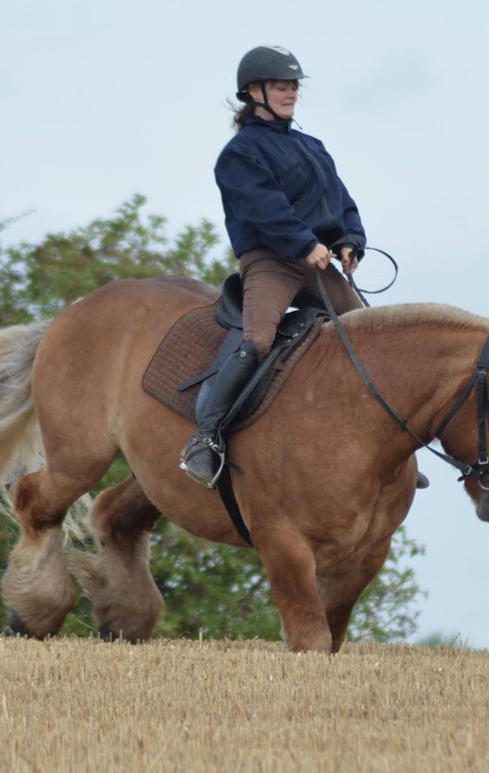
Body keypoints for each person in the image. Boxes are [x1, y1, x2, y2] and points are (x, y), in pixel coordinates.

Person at [179, 45, 368, 488]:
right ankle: (205, 439)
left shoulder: (311, 147)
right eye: (282, 86)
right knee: (258, 340)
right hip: (271, 262)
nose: (290, 93)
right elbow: (265, 209)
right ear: (254, 92)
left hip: (316, 262)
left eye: (293, 86)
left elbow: (340, 201)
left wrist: (349, 241)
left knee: (368, 333)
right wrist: (304, 244)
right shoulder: (240, 153)